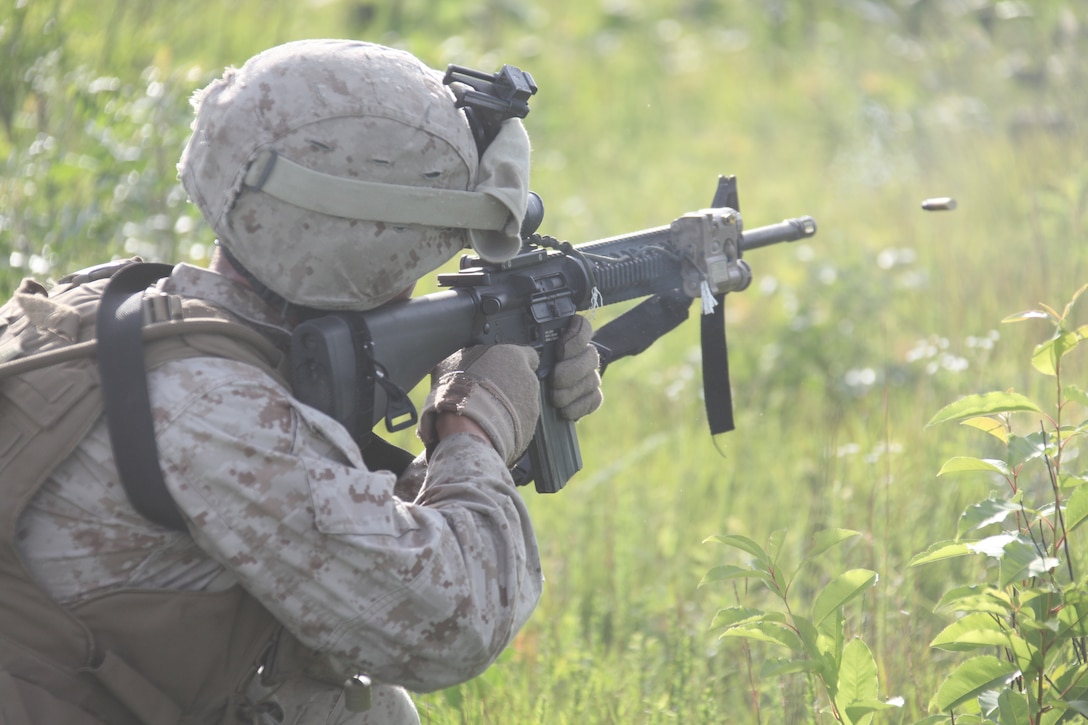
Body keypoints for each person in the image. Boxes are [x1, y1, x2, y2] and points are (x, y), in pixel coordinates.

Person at [0, 39, 603, 724]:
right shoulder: (215, 413)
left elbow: (330, 524)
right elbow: (454, 624)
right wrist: (476, 426)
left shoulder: (119, 305)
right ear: (371, 246)